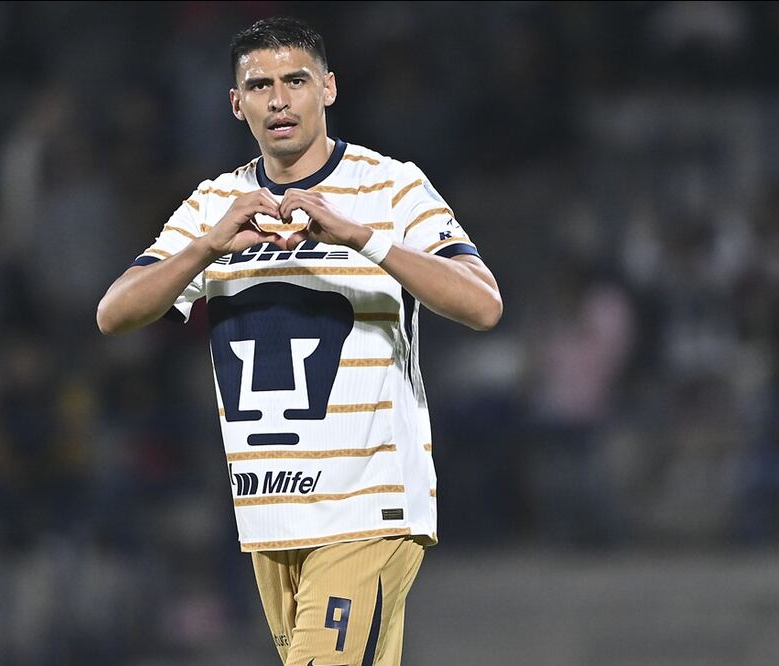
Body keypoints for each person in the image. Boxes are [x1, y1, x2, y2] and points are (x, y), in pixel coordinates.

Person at [97, 16, 502, 665]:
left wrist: (360, 238)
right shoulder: (214, 204)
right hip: (270, 516)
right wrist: (203, 249)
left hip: (367, 509)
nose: (278, 99)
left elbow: (483, 303)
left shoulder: (389, 186)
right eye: (259, 86)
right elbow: (114, 313)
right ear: (235, 103)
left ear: (329, 89)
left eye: (295, 81)